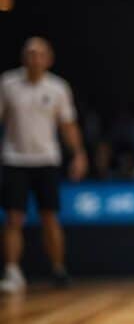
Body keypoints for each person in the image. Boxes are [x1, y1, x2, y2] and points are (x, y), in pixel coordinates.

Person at [0, 37, 88, 292]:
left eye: (40, 54)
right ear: (23, 57)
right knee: (13, 218)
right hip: (14, 159)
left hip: (47, 160)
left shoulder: (59, 88)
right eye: (30, 53)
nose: (34, 58)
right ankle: (12, 272)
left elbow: (68, 125)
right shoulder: (7, 84)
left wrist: (79, 154)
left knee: (50, 217)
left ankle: (59, 269)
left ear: (48, 59)